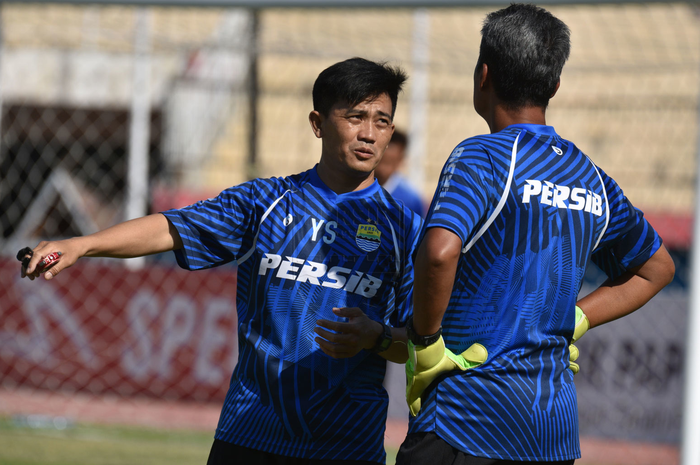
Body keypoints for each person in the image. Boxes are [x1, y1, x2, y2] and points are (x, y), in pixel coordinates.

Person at [20, 57, 425, 465]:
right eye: (355, 117)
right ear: (317, 123)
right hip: (250, 435)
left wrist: (375, 337)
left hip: (347, 447)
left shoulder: (406, 230)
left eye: (382, 121)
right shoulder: (265, 202)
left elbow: (423, 340)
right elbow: (171, 227)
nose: (369, 134)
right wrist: (82, 245)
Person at [398, 4, 675, 465]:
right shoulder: (591, 177)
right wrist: (577, 320)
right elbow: (657, 268)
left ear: (482, 74)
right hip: (551, 432)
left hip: (465, 420)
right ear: (555, 85)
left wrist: (425, 345)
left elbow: (440, 252)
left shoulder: (482, 156)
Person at [374, 129, 427, 217]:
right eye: (381, 162)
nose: (383, 170)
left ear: (401, 160)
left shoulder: (411, 200)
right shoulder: (356, 188)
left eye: (390, 163)